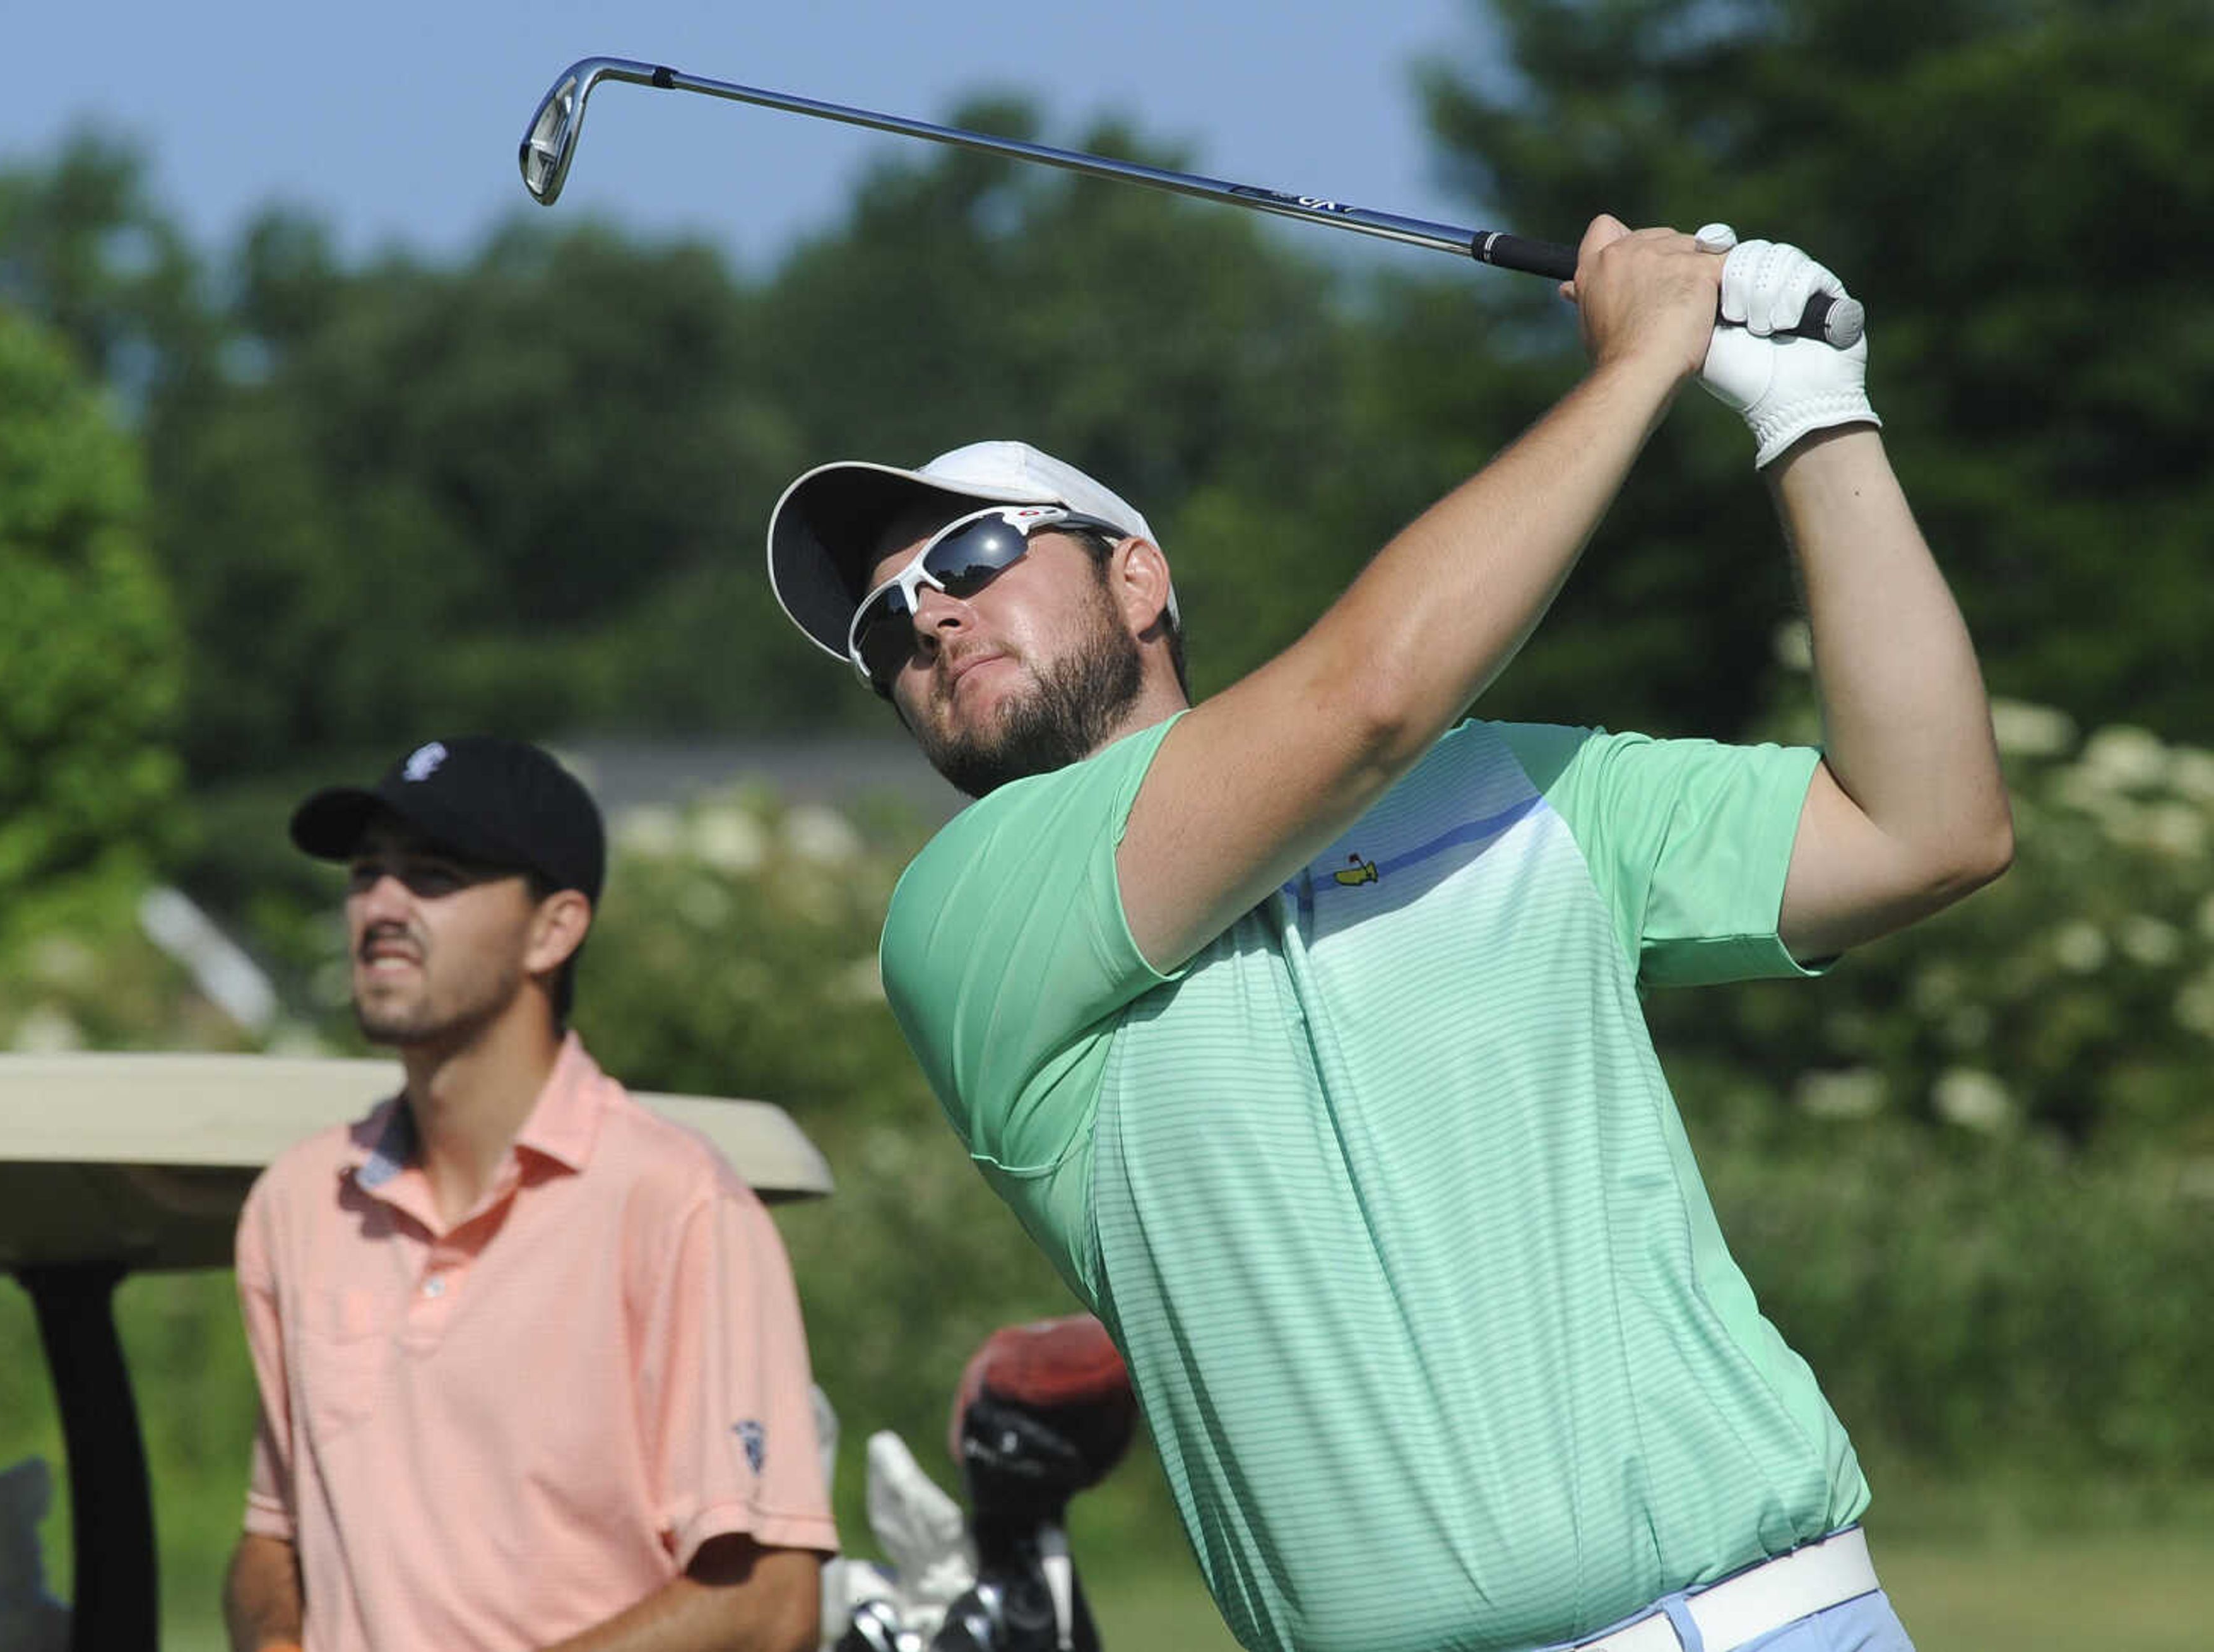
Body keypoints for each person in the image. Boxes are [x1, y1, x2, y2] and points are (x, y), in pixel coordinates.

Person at [761, 220, 2011, 1652]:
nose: (925, 615)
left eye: (973, 553)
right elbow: (1367, 701)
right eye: (879, 625)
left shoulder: (1508, 785)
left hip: (1792, 1616)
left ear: (1140, 578)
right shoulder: (959, 916)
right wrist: (1642, 359)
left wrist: (1809, 412)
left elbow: (1929, 829)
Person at [224, 735, 836, 1652]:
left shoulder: (677, 1202)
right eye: (364, 873)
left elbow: (768, 1601)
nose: (380, 906)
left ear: (555, 927)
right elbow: (274, 1538)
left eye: (432, 874)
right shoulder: (299, 1202)